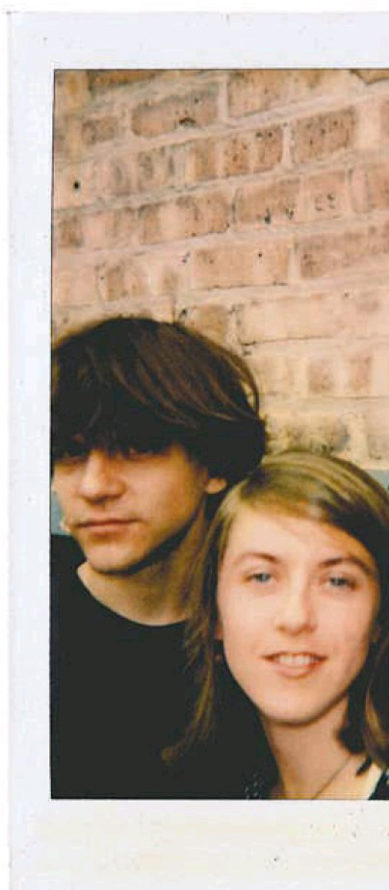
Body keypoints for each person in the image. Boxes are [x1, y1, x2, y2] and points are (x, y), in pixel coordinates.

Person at [50, 317, 268, 798]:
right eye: (68, 453)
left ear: (212, 465)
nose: (94, 486)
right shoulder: (25, 628)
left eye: (138, 448)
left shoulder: (269, 634)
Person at [166, 450, 389, 800]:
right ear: (215, 612)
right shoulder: (203, 801)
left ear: (380, 619)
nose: (296, 618)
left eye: (337, 581)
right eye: (262, 577)